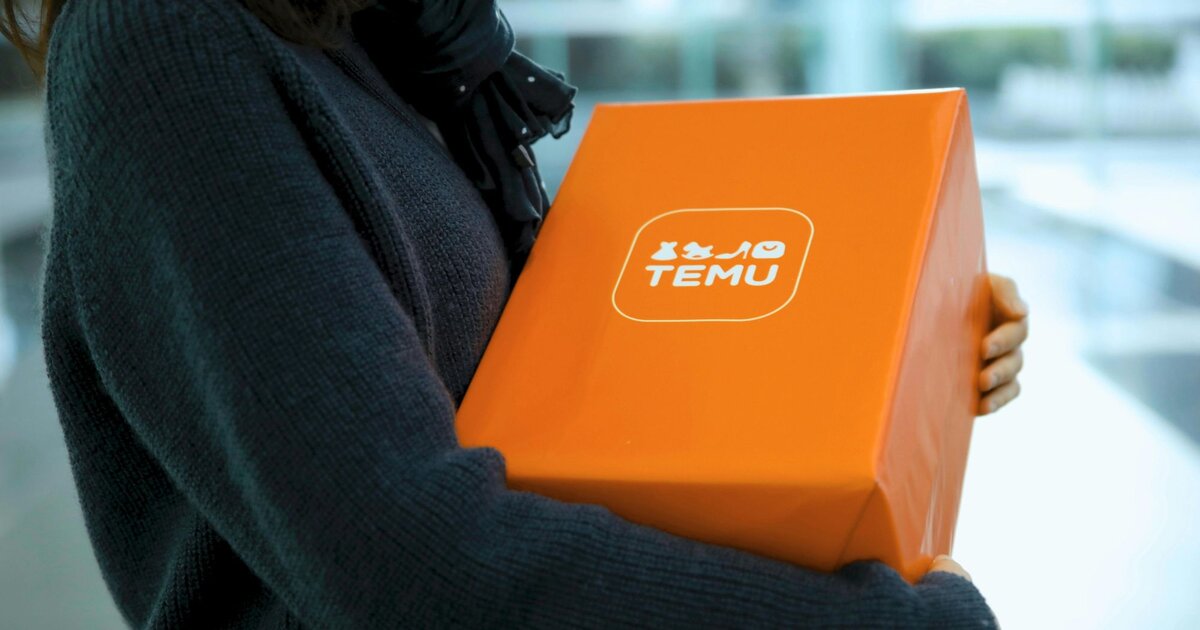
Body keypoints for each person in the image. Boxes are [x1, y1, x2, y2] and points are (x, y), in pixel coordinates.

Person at [4, 0, 1027, 626]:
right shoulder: (166, 40)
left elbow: (551, 389)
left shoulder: (384, 36)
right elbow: (409, 564)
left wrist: (910, 347)